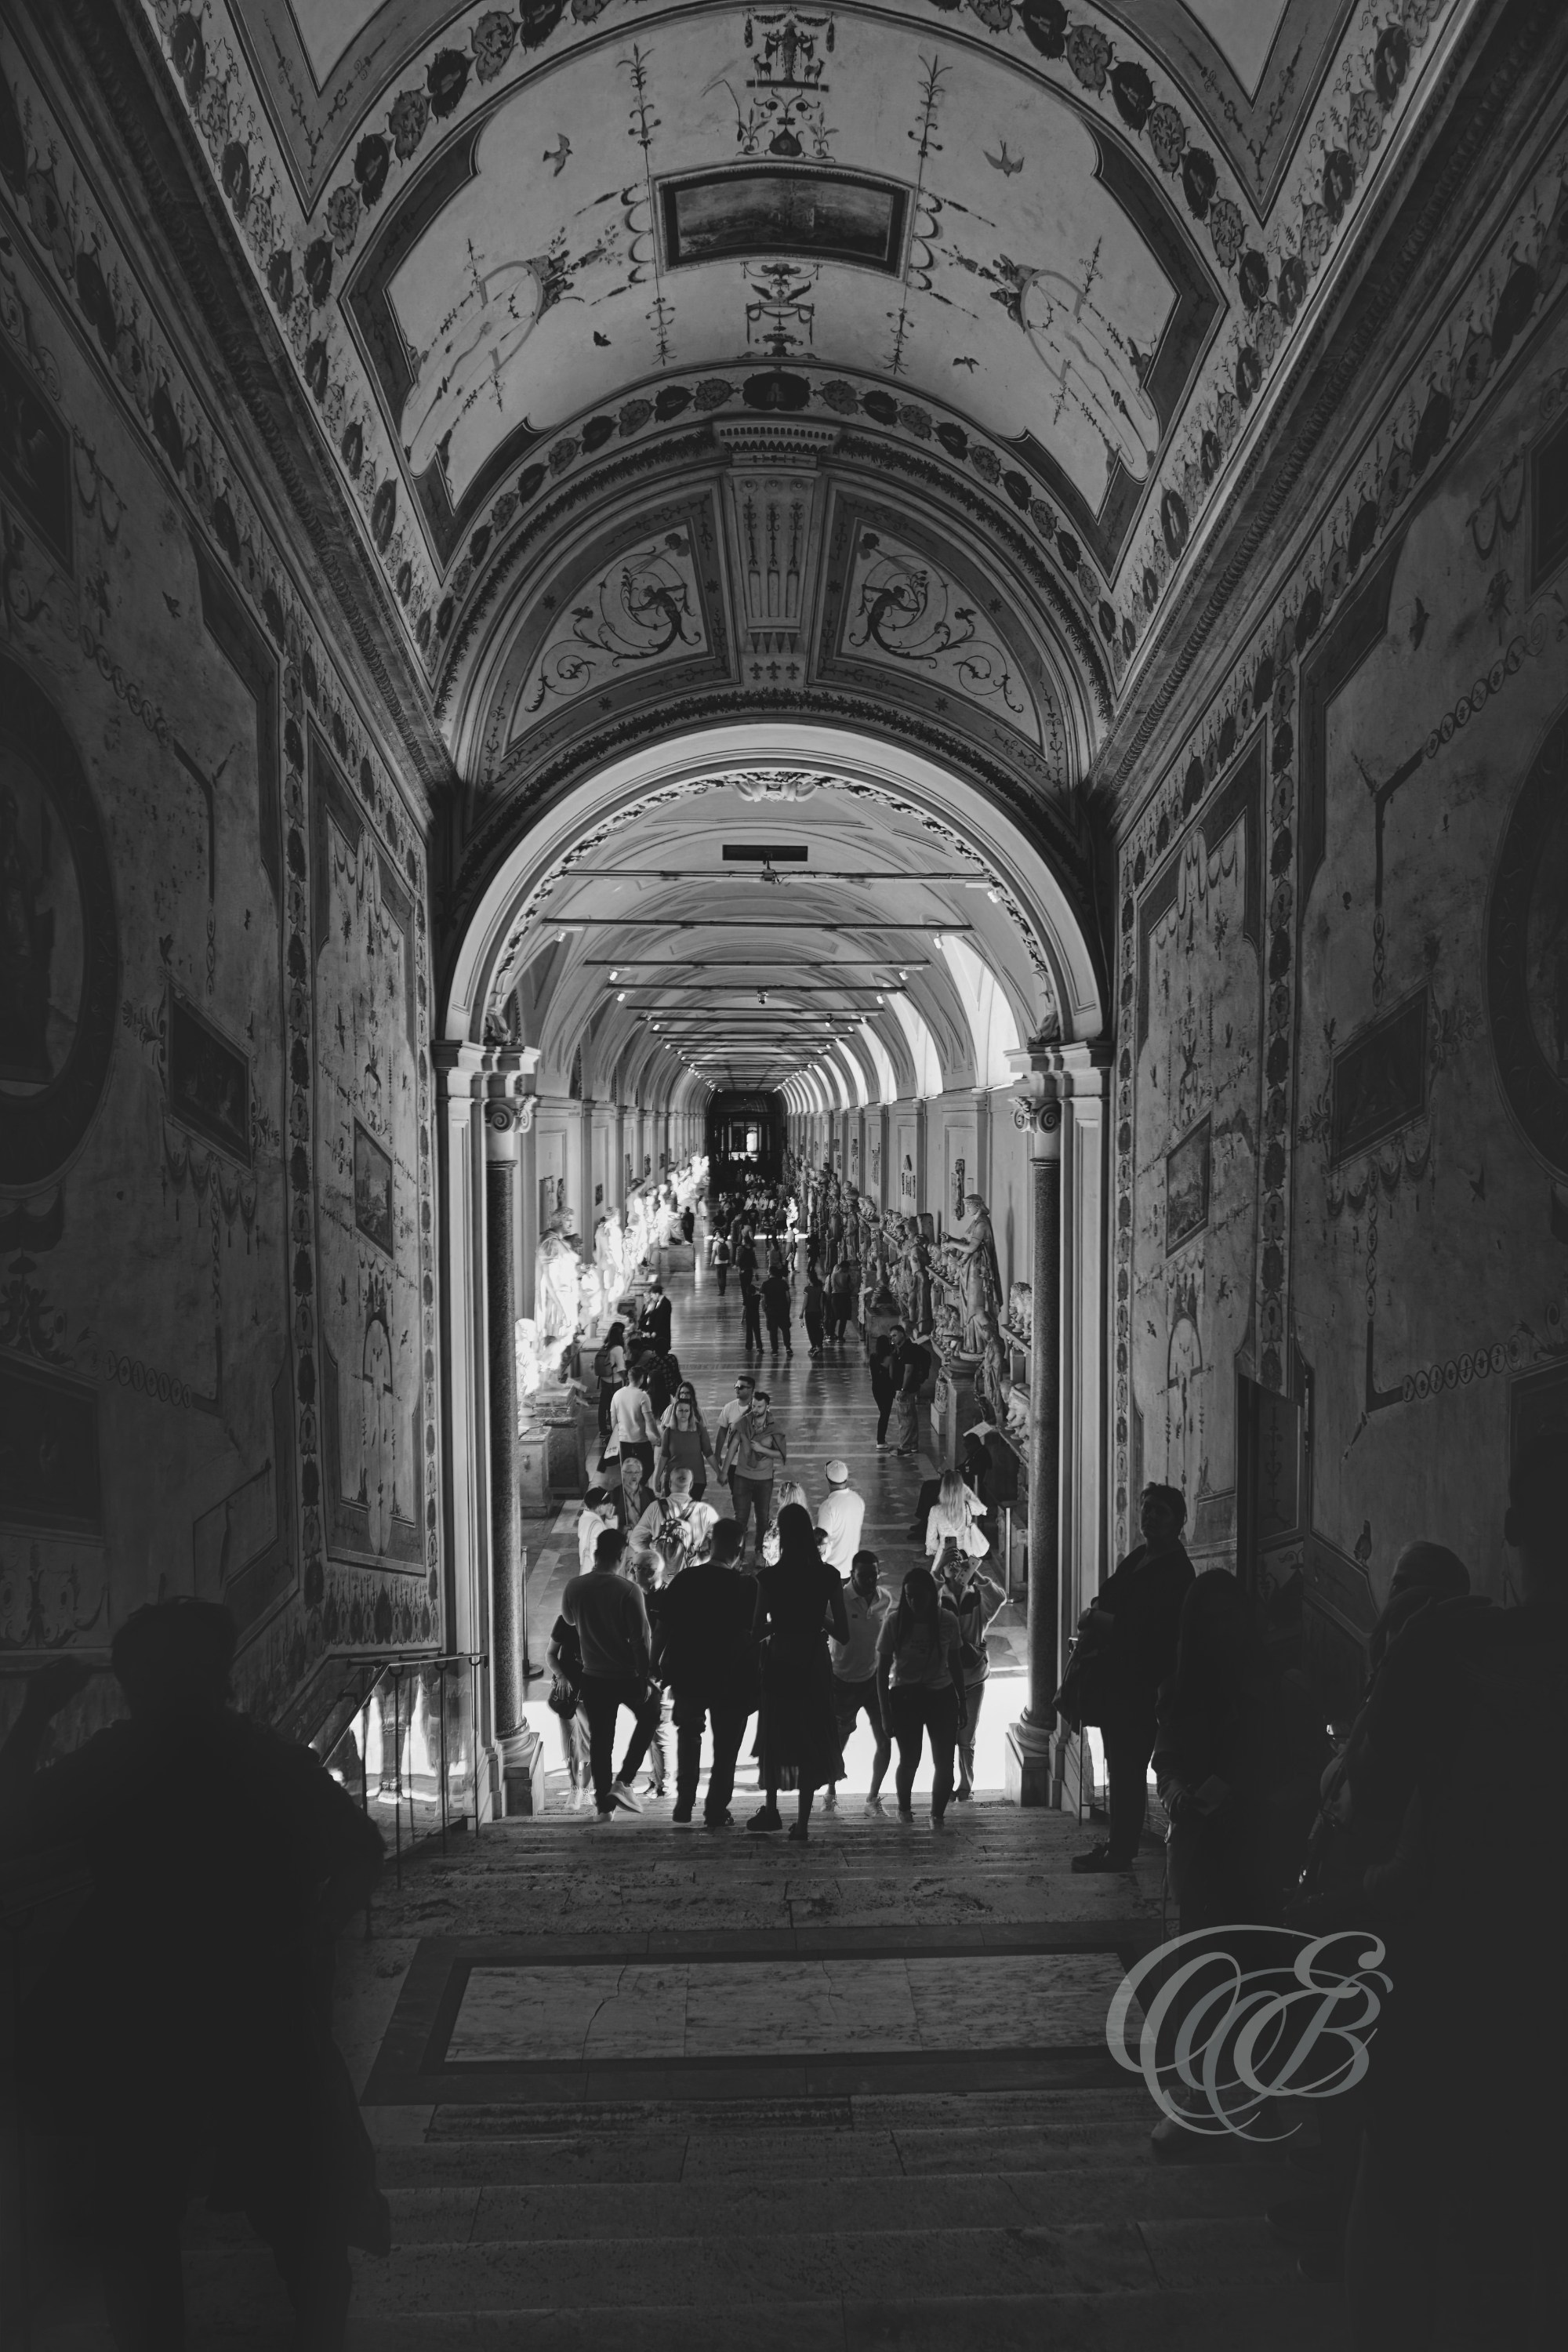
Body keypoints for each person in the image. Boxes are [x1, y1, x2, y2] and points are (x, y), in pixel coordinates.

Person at [0, 1601, 389, 2350]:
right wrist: (315, 1931)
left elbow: (13, 1821)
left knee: (139, 2214)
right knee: (295, 2204)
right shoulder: (265, 1758)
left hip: (140, 2009)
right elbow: (360, 1847)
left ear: (141, 1680)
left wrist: (36, 1713)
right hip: (259, 2000)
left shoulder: (119, 1762)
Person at [1341, 1444, 1567, 2351]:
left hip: (1447, 1988)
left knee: (1401, 2214)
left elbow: (1369, 1806)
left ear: (1512, 1532)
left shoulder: (1446, 1646)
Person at [1071, 1483, 1195, 1873]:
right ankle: (1116, 1845)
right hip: (1118, 1681)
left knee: (1129, 1767)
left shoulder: (1177, 1570)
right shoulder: (1141, 1555)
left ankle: (1121, 1852)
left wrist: (1097, 1618)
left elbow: (1148, 1632)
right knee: (1120, 1765)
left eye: (1161, 1511)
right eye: (1148, 1509)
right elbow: (1111, 1598)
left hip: (1143, 1686)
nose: (1151, 1516)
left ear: (1179, 1521)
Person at [748, 1504, 849, 1840]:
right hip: (814, 1662)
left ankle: (772, 1810)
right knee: (811, 1736)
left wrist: (782, 1621)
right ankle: (803, 1824)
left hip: (780, 1659)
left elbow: (756, 1632)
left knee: (778, 1733)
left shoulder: (770, 1578)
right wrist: (814, 1617)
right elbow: (844, 1634)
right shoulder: (829, 1576)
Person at [653, 1519, 760, 1827]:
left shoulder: (686, 1579)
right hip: (733, 1678)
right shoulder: (747, 1586)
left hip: (689, 1674)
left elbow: (663, 1628)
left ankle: (683, 1805)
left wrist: (652, 1664)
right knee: (726, 1748)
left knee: (688, 1737)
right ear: (739, 1548)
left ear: (711, 1544)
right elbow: (754, 1632)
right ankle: (715, 1810)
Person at [560, 1525, 662, 1816]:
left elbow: (568, 1620)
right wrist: (645, 1678)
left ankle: (604, 1807)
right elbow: (642, 1640)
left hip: (594, 1677)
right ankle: (625, 1781)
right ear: (620, 1555)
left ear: (595, 1554)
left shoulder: (574, 1587)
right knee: (652, 1712)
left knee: (601, 1742)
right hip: (627, 1676)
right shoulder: (629, 1590)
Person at [876, 1563, 967, 1826]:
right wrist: (885, 1714)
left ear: (931, 1594)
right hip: (906, 1697)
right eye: (908, 1596)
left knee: (944, 1763)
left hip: (941, 1696)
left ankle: (937, 1816)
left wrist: (962, 1703)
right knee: (909, 1760)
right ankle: (905, 1810)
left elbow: (956, 1663)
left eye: (919, 1596)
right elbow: (882, 1672)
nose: (913, 1602)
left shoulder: (947, 1620)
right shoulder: (895, 1622)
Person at [935, 1535, 1007, 1800]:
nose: (954, 1567)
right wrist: (939, 1569)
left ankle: (965, 1787)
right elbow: (916, 1604)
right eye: (949, 1563)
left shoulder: (977, 1599)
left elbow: (999, 1598)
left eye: (959, 1563)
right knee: (944, 1736)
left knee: (966, 1737)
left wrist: (975, 1574)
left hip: (973, 1678)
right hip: (942, 1679)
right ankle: (944, 1784)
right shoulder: (937, 1598)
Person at [825, 1549, 892, 1813]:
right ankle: (830, 1793)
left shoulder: (884, 1599)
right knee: (838, 1742)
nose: (869, 1581)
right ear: (851, 1574)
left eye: (874, 1575)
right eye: (863, 1575)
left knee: (885, 1738)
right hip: (842, 1681)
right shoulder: (837, 1600)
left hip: (875, 1681)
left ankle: (872, 1800)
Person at [724, 1387, 788, 1563]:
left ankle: (761, 1552)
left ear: (767, 1406)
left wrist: (761, 1449)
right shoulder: (743, 1423)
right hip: (742, 1476)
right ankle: (738, 1556)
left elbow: (781, 1454)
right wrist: (724, 1471)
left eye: (759, 1407)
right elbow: (732, 1448)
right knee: (741, 1519)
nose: (755, 1410)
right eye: (753, 1406)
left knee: (762, 1518)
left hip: (764, 1479)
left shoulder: (774, 1428)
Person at [632, 1467, 720, 1580]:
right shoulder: (706, 1511)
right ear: (691, 1485)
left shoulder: (655, 1508)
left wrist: (653, 1558)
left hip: (661, 1578)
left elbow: (635, 1540)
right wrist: (699, 1561)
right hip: (692, 1577)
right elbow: (717, 1546)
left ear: (669, 1484)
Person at [546, 1606, 592, 1809]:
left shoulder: (601, 1619)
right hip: (568, 1690)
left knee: (592, 1741)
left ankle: (585, 1790)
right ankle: (574, 1788)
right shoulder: (564, 1621)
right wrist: (560, 1676)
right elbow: (551, 1654)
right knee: (571, 1741)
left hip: (592, 1689)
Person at [605, 1361, 660, 1504]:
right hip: (640, 1440)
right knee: (648, 1467)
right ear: (641, 1378)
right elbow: (649, 1420)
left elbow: (613, 1420)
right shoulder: (642, 1396)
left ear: (629, 1378)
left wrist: (616, 1437)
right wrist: (658, 1436)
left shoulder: (617, 1395)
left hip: (623, 1441)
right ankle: (638, 1491)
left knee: (628, 1471)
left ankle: (630, 1496)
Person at [655, 1381, 713, 1499]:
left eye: (688, 1393)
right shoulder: (671, 1409)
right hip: (673, 1458)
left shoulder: (698, 1411)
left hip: (693, 1465)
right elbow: (663, 1428)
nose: (685, 1396)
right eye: (682, 1393)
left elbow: (704, 1438)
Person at [924, 1467, 989, 1565]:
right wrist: (965, 1488)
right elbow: (982, 1508)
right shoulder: (968, 1506)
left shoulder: (935, 1511)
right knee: (965, 1580)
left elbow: (931, 1542)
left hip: (943, 1559)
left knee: (941, 1579)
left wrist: (942, 1547)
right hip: (966, 1558)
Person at [815, 1458, 866, 1577]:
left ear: (827, 1480)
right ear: (846, 1479)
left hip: (832, 1571)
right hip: (852, 1569)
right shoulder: (858, 1500)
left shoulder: (828, 1506)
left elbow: (822, 1543)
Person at [888, 1323, 931, 1458]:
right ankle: (913, 1446)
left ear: (902, 1334)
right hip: (909, 1388)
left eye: (895, 1335)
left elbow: (908, 1370)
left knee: (905, 1419)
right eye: (891, 1336)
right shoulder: (902, 1348)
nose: (893, 1339)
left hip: (906, 1389)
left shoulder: (907, 1350)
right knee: (910, 1417)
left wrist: (902, 1389)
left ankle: (905, 1447)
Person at [593, 1319, 627, 1438]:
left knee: (604, 1406)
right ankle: (615, 1429)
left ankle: (603, 1430)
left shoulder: (606, 1346)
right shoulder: (618, 1349)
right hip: (615, 1382)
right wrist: (627, 1382)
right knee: (614, 1407)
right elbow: (621, 1368)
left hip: (604, 1380)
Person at [577, 1486, 615, 1576]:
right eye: (607, 1504)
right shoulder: (597, 1525)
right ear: (600, 1507)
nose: (609, 1506)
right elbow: (596, 1550)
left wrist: (609, 1519)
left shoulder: (584, 1517)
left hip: (585, 1567)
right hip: (595, 1572)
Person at [761, 1262, 793, 1358]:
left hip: (771, 1310)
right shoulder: (783, 1283)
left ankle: (775, 1350)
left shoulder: (765, 1284)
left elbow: (763, 1300)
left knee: (773, 1331)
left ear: (770, 1273)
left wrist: (765, 1310)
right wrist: (788, 1309)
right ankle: (788, 1347)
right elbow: (788, 1298)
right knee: (785, 1329)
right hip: (783, 1309)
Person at [739, 1240, 764, 1353]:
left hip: (749, 1317)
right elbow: (762, 1295)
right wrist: (758, 1289)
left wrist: (742, 1319)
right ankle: (759, 1346)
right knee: (757, 1331)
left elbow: (738, 1263)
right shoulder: (756, 1298)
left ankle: (748, 1346)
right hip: (756, 1317)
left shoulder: (747, 1300)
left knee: (749, 1331)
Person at [639, 1279, 673, 1356]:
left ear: (657, 1294)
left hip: (662, 1334)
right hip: (657, 1334)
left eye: (652, 1295)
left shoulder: (665, 1303)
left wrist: (655, 1332)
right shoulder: (659, 1302)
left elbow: (662, 1320)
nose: (651, 1297)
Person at [827, 1254, 855, 1345]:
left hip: (834, 1296)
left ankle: (830, 1335)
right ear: (845, 1267)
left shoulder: (833, 1274)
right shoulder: (847, 1275)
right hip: (844, 1296)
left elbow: (830, 1286)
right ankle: (840, 1337)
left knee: (833, 1317)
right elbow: (851, 1287)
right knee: (843, 1318)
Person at [802, 1269, 826, 1358]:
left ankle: (813, 1346)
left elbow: (805, 1302)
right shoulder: (820, 1289)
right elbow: (821, 1303)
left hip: (809, 1313)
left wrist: (801, 1312)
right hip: (818, 1313)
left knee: (811, 1330)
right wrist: (822, 1314)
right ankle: (820, 1345)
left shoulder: (807, 1289)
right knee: (819, 1329)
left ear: (809, 1279)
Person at [714, 1230, 731, 1298]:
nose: (716, 1235)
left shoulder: (716, 1243)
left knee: (719, 1277)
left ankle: (720, 1291)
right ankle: (723, 1290)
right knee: (724, 1277)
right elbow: (730, 1253)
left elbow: (713, 1253)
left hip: (718, 1262)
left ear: (719, 1235)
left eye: (716, 1234)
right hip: (725, 1262)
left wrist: (712, 1262)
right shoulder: (727, 1242)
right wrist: (729, 1261)